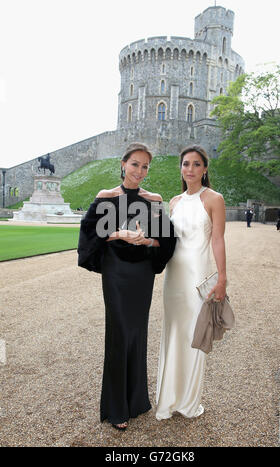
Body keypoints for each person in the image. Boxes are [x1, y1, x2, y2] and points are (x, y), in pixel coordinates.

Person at [77, 142, 176, 430]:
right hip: (117, 272)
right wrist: (117, 234)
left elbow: (167, 240)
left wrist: (146, 240)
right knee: (119, 332)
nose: (140, 171)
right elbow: (89, 235)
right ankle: (117, 408)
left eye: (145, 166)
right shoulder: (106, 196)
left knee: (137, 332)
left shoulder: (154, 198)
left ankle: (137, 401)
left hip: (142, 273)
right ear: (123, 164)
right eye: (135, 164)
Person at [156, 145, 227, 420]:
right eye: (186, 164)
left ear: (205, 169)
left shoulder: (213, 199)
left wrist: (222, 278)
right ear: (181, 168)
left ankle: (188, 401)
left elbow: (218, 239)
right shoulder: (173, 202)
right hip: (173, 277)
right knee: (173, 333)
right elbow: (166, 241)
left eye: (196, 164)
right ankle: (169, 399)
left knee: (194, 336)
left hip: (197, 278)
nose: (190, 169)